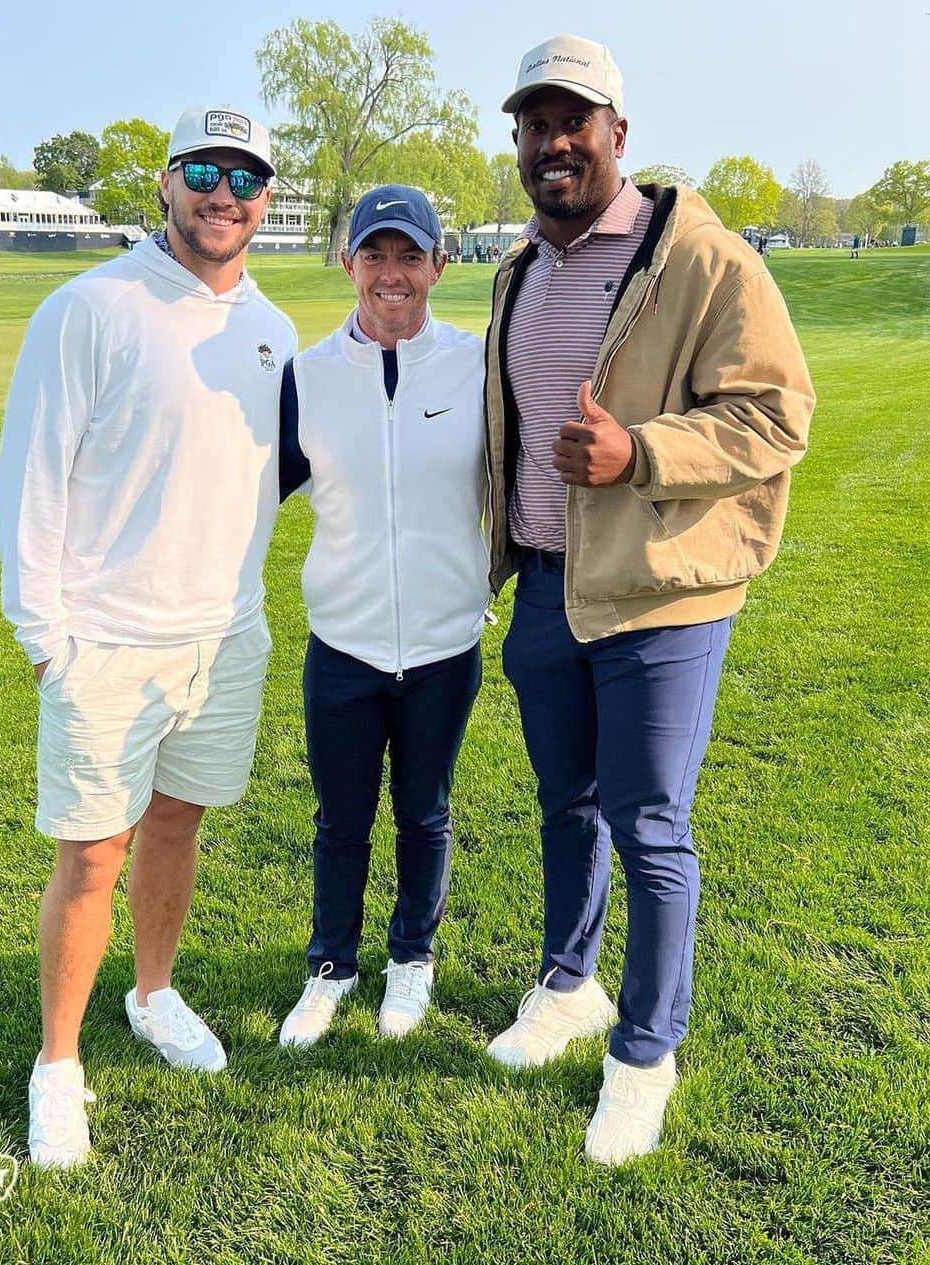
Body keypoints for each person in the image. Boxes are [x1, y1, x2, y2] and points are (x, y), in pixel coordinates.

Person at [483, 35, 814, 1163]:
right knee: (565, 804)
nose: (554, 143)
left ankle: (644, 1050)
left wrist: (642, 453)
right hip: (543, 588)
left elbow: (778, 414)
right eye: (535, 124)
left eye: (575, 121)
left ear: (620, 134)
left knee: (650, 825)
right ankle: (569, 984)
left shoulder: (706, 261)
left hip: (661, 598)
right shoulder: (520, 268)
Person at [0, 105, 296, 1168]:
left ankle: (155, 993)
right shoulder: (90, 307)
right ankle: (57, 1064)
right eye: (206, 171)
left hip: (224, 637)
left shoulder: (271, 326)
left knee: (177, 827)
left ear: (268, 198)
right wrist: (47, 638)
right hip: (106, 643)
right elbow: (29, 476)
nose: (226, 193)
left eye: (247, 176)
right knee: (90, 856)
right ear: (166, 182)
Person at [275, 186, 489, 1046]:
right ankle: (331, 963)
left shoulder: (477, 366)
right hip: (344, 644)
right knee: (340, 819)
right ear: (348, 262)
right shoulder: (307, 376)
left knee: (425, 813)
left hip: (444, 643)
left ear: (440, 264)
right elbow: (246, 490)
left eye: (410, 256)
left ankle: (412, 958)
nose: (391, 275)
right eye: (375, 255)